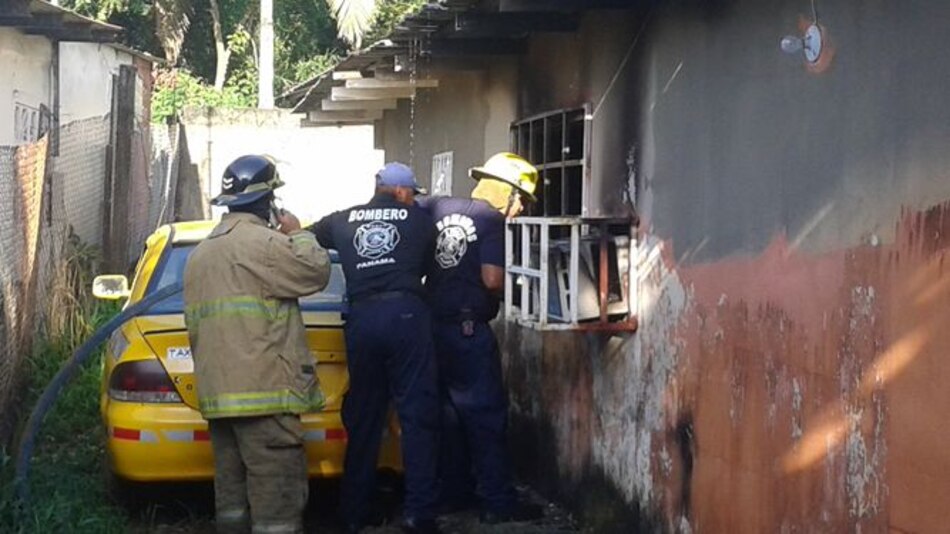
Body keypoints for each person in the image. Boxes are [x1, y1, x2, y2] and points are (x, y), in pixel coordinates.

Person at [183, 155, 331, 534]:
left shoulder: (201, 254)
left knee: (232, 495)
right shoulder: (264, 244)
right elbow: (314, 272)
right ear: (268, 202)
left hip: (220, 400)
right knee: (276, 501)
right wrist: (298, 233)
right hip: (265, 395)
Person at [307, 162, 441, 534]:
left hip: (362, 319)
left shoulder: (341, 220)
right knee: (417, 416)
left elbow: (303, 239)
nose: (413, 198)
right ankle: (419, 513)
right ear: (400, 192)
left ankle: (353, 513)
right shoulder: (419, 221)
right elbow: (428, 266)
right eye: (412, 192)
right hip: (406, 317)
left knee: (364, 416)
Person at [419, 152, 544, 524]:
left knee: (450, 417)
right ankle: (497, 502)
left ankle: (453, 494)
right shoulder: (490, 219)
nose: (520, 210)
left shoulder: (440, 208)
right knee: (486, 416)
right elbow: (492, 278)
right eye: (521, 200)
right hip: (469, 331)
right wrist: (525, 288)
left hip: (435, 326)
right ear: (508, 192)